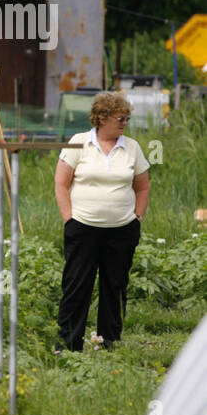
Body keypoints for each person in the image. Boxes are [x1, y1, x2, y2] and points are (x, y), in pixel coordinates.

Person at [54, 92, 150, 352]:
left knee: (115, 285)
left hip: (122, 230)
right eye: (121, 118)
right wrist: (69, 220)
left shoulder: (132, 147)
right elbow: (61, 183)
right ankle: (68, 345)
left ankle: (109, 343)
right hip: (83, 228)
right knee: (76, 285)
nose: (124, 123)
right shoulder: (79, 142)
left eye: (128, 118)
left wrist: (136, 218)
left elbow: (142, 186)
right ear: (103, 118)